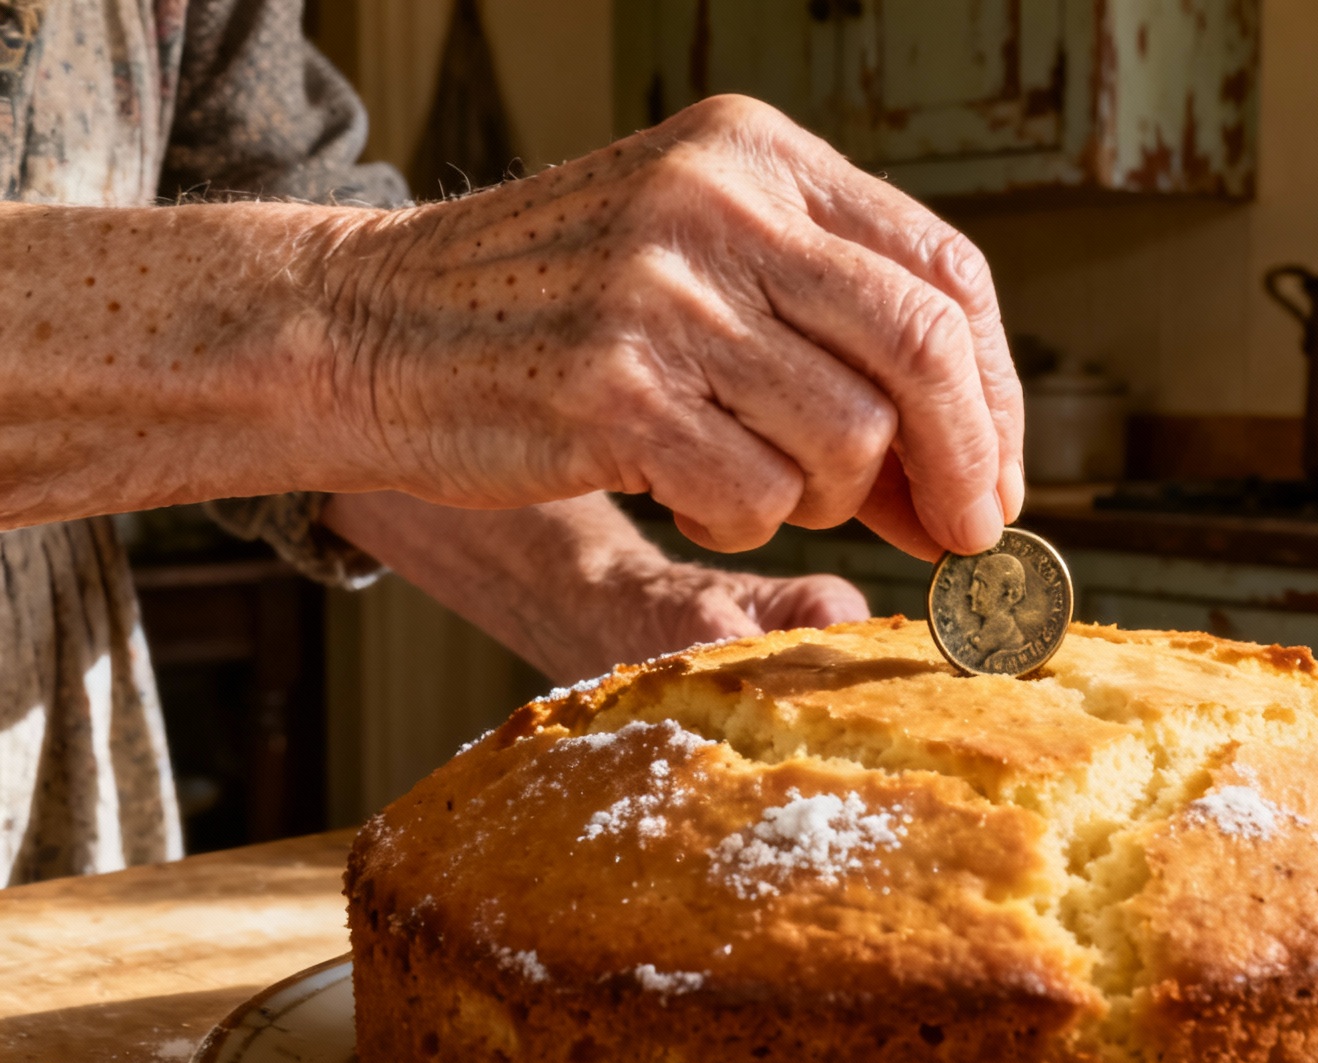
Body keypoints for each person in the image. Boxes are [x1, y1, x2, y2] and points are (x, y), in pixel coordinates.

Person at [0, 0, 1024, 884]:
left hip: (57, 780)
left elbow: (288, 322)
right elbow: (318, 352)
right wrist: (377, 322)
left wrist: (619, 595)